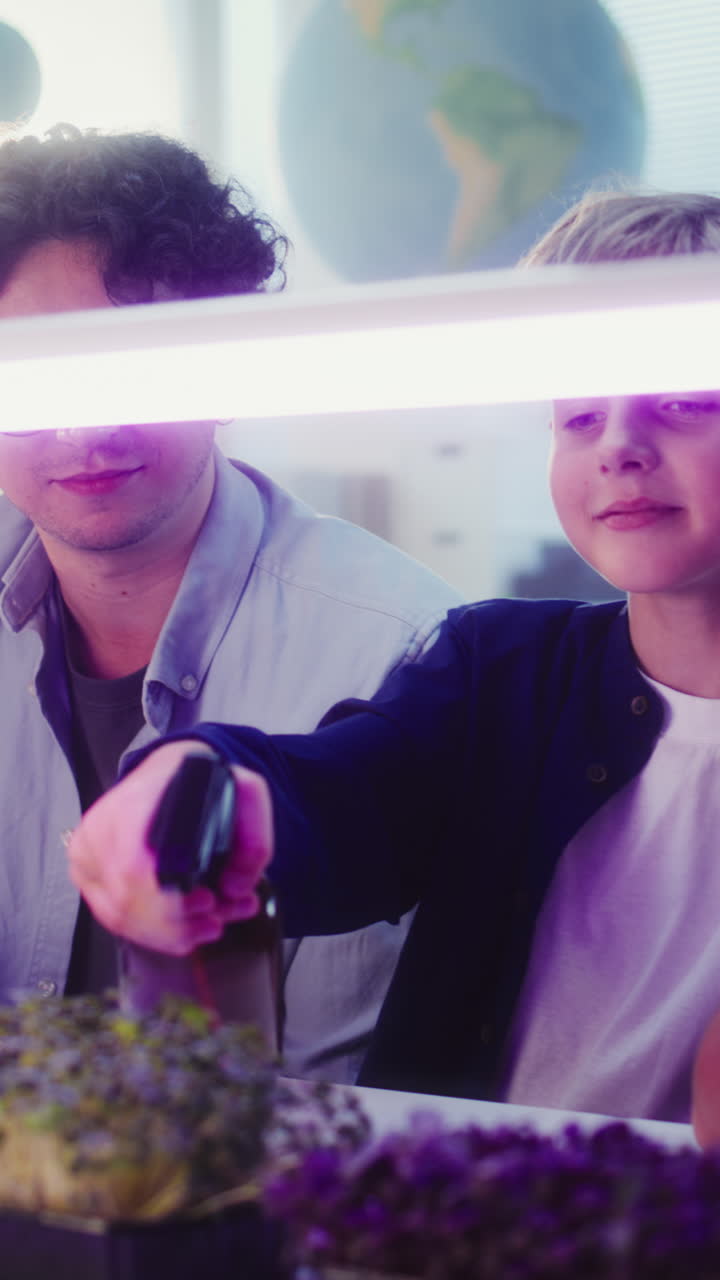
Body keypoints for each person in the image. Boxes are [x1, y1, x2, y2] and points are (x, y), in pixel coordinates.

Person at [68, 188, 720, 1124]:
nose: (618, 445)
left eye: (685, 400)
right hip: (446, 1235)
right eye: (578, 415)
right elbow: (346, 795)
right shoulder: (500, 668)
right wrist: (207, 779)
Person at [0, 123, 463, 1082]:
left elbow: (330, 1090)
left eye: (136, 366)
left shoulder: (398, 651)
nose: (88, 424)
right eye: (37, 375)